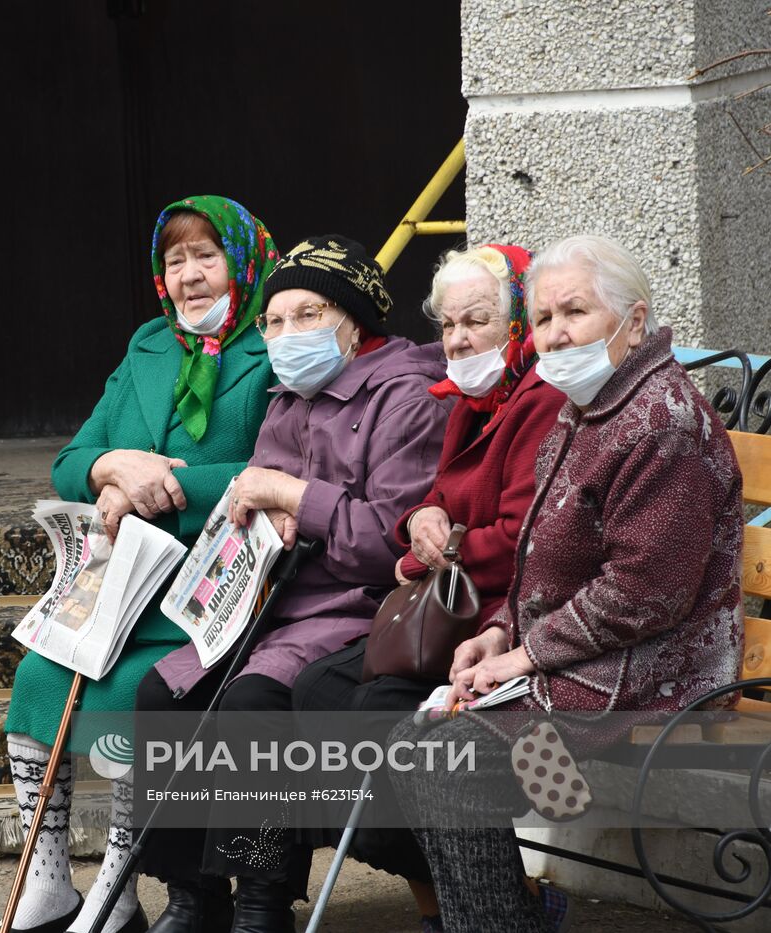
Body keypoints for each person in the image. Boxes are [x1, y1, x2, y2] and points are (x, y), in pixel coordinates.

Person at [388, 234, 744, 931]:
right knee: (421, 738)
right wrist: (497, 631)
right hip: (590, 659)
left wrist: (524, 655)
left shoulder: (660, 420)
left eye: (574, 312)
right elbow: (547, 562)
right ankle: (513, 913)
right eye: (544, 317)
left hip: (658, 671)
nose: (555, 333)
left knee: (448, 756)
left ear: (633, 321)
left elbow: (645, 592)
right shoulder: (588, 408)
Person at [135, 235, 452, 933]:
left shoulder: (405, 396)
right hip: (266, 605)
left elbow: (388, 541)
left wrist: (292, 493)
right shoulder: (289, 397)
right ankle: (194, 896)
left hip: (354, 610)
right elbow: (253, 509)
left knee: (253, 700)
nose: (285, 336)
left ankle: (262, 901)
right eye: (273, 321)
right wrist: (260, 510)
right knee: (164, 689)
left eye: (306, 315)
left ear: (353, 318)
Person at [0, 196, 279, 933]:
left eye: (206, 257)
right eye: (174, 260)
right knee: (37, 677)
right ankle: (51, 878)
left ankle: (118, 881)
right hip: (125, 585)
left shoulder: (272, 344)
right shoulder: (145, 345)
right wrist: (113, 465)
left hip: (212, 583)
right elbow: (70, 461)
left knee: (129, 690)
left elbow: (286, 463)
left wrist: (178, 480)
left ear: (241, 264)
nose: (189, 276)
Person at [289, 244, 565, 931]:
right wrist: (423, 520)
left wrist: (430, 552)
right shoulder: (471, 400)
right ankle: (467, 892)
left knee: (372, 718)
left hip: (496, 613)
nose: (460, 338)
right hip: (445, 606)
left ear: (516, 322)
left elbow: (522, 540)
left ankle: (485, 901)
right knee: (314, 690)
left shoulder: (539, 400)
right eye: (447, 325)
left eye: (477, 320)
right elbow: (434, 501)